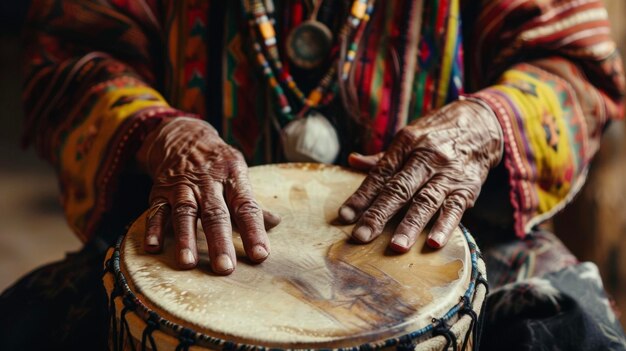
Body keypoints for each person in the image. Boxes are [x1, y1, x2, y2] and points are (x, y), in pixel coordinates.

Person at [1, 0, 625, 349]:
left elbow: (573, 64)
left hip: (450, 226)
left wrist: (484, 125)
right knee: (25, 325)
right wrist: (160, 131)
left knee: (574, 332)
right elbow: (67, 54)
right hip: (184, 227)